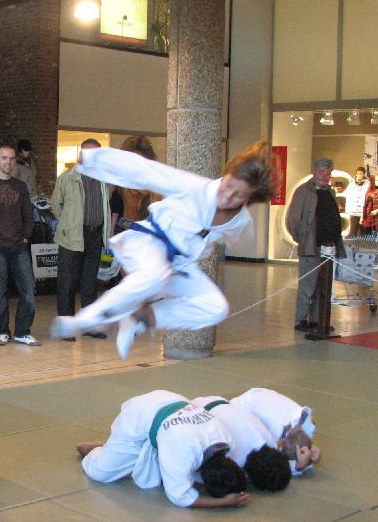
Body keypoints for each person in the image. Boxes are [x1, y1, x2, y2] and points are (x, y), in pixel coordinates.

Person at [50, 140, 273, 358]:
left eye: (239, 195)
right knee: (155, 274)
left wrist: (204, 244)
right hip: (149, 243)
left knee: (216, 308)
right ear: (226, 174)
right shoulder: (195, 187)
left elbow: (228, 236)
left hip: (179, 265)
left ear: (250, 199)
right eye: (229, 185)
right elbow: (146, 171)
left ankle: (142, 318)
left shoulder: (241, 222)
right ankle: (86, 320)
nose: (229, 195)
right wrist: (95, 159)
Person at [77, 390, 251, 509]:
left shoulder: (226, 441)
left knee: (157, 475)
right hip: (138, 416)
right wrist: (222, 502)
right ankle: (97, 449)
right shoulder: (185, 453)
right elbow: (181, 498)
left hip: (168, 399)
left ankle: (123, 454)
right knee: (100, 473)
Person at [0, 143, 41, 346]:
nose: (8, 162)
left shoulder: (21, 186)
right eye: (4, 158)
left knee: (28, 290)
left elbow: (28, 215)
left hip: (19, 246)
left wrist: (26, 237)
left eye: (11, 158)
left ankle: (22, 331)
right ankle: (2, 331)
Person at [51, 138, 110, 341]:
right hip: (72, 237)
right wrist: (69, 225)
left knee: (90, 284)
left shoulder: (104, 180)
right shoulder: (67, 178)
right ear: (80, 155)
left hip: (95, 235)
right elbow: (56, 205)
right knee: (67, 284)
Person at [284, 157, 345, 333]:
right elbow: (293, 218)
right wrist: (301, 238)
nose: (325, 176)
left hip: (328, 248)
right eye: (321, 172)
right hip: (311, 247)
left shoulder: (330, 192)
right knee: (307, 286)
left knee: (323, 286)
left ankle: (317, 319)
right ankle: (301, 319)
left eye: (328, 173)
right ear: (314, 173)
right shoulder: (303, 191)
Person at [197, 396, 291, 491]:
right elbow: (208, 476)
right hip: (198, 412)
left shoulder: (270, 442)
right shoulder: (234, 459)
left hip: (215, 400)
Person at [220, 388, 320, 477]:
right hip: (234, 410)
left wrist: (311, 452)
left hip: (257, 395)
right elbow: (274, 466)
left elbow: (300, 440)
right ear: (280, 447)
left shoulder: (304, 420)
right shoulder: (270, 439)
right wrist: (299, 465)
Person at [341, 167, 370, 235]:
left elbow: (368, 197)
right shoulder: (352, 184)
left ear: (364, 174)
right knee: (353, 231)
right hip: (353, 211)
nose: (359, 175)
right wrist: (347, 209)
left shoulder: (368, 184)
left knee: (363, 232)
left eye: (361, 173)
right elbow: (348, 196)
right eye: (358, 173)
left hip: (363, 212)